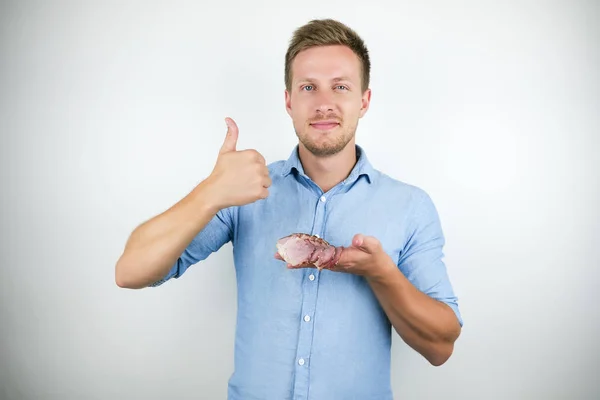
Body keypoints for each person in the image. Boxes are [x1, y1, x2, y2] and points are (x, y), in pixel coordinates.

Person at [115, 18, 463, 400]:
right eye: (308, 87)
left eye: (341, 87)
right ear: (288, 100)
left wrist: (381, 273)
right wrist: (210, 192)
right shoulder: (241, 194)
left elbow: (440, 347)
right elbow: (130, 272)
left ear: (364, 100)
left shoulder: (410, 206)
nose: (324, 103)